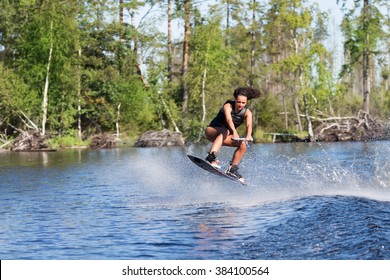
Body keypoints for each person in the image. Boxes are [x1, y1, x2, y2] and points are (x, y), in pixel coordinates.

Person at [205, 87, 261, 182]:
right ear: (235, 100)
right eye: (238, 102)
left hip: (223, 137)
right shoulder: (228, 106)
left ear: (246, 102)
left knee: (243, 144)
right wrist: (234, 132)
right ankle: (211, 157)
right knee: (226, 131)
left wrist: (248, 136)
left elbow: (249, 125)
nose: (240, 105)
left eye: (243, 103)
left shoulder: (247, 113)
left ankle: (232, 169)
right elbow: (228, 119)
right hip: (211, 131)